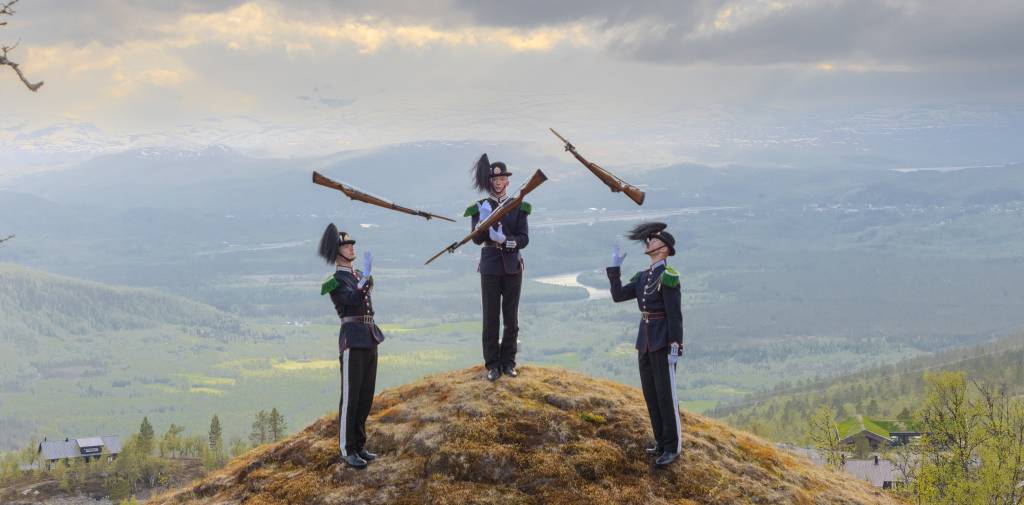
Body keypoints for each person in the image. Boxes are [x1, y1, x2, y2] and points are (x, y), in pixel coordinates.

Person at [606, 222, 684, 467]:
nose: (648, 242)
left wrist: (675, 346)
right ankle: (660, 442)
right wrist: (614, 268)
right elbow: (619, 296)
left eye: (653, 240)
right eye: (648, 239)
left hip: (662, 342)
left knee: (665, 396)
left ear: (665, 249)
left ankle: (673, 447)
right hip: (645, 341)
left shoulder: (669, 277)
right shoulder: (643, 277)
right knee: (651, 395)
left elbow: (674, 314)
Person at [319, 223, 384, 469]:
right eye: (346, 245)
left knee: (366, 396)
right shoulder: (334, 281)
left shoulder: (357, 276)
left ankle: (359, 445)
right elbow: (350, 300)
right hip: (352, 338)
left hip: (369, 336)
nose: (351, 247)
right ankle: (347, 449)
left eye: (351, 244)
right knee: (351, 397)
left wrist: (364, 278)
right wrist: (364, 280)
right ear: (337, 252)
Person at [464, 153, 532, 381]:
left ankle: (509, 362)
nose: (499, 182)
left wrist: (506, 241)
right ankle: (492, 364)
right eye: (495, 179)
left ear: (507, 182)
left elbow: (524, 238)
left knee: (511, 319)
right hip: (491, 266)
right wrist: (483, 225)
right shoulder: (480, 207)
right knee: (491, 318)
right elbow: (475, 239)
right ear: (490, 182)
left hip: (513, 266)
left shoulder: (519, 205)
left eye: (502, 178)